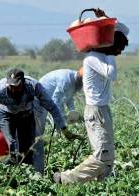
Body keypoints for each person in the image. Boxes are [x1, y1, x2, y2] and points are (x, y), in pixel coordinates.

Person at [54, 13, 129, 184]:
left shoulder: (102, 56)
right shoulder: (92, 58)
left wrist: (108, 19)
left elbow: (125, 30)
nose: (119, 52)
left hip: (103, 110)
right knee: (102, 155)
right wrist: (110, 49)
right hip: (95, 111)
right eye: (118, 48)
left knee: (109, 157)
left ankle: (102, 186)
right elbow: (112, 74)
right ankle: (65, 179)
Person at [0, 68, 79, 166]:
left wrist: (63, 128)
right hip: (6, 115)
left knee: (27, 149)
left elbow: (52, 107)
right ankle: (7, 172)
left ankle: (25, 174)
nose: (13, 89)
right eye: (10, 86)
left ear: (23, 82)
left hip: (25, 115)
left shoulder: (33, 86)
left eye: (16, 86)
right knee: (11, 144)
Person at [33, 68, 84, 173]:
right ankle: (36, 166)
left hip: (50, 100)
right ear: (80, 78)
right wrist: (62, 119)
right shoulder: (66, 79)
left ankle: (53, 152)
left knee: (58, 129)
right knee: (38, 132)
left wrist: (72, 112)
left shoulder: (75, 83)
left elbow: (69, 99)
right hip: (40, 99)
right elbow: (56, 102)